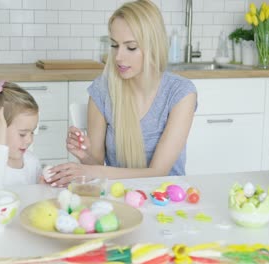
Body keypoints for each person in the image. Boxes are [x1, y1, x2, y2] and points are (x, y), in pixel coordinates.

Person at [47, 0, 197, 187]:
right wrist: (85, 156)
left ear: (153, 46)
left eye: (131, 47)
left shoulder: (180, 93)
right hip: (119, 195)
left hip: (168, 198)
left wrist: (92, 170)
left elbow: (158, 173)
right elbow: (96, 165)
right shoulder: (102, 90)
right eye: (114, 45)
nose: (118, 57)